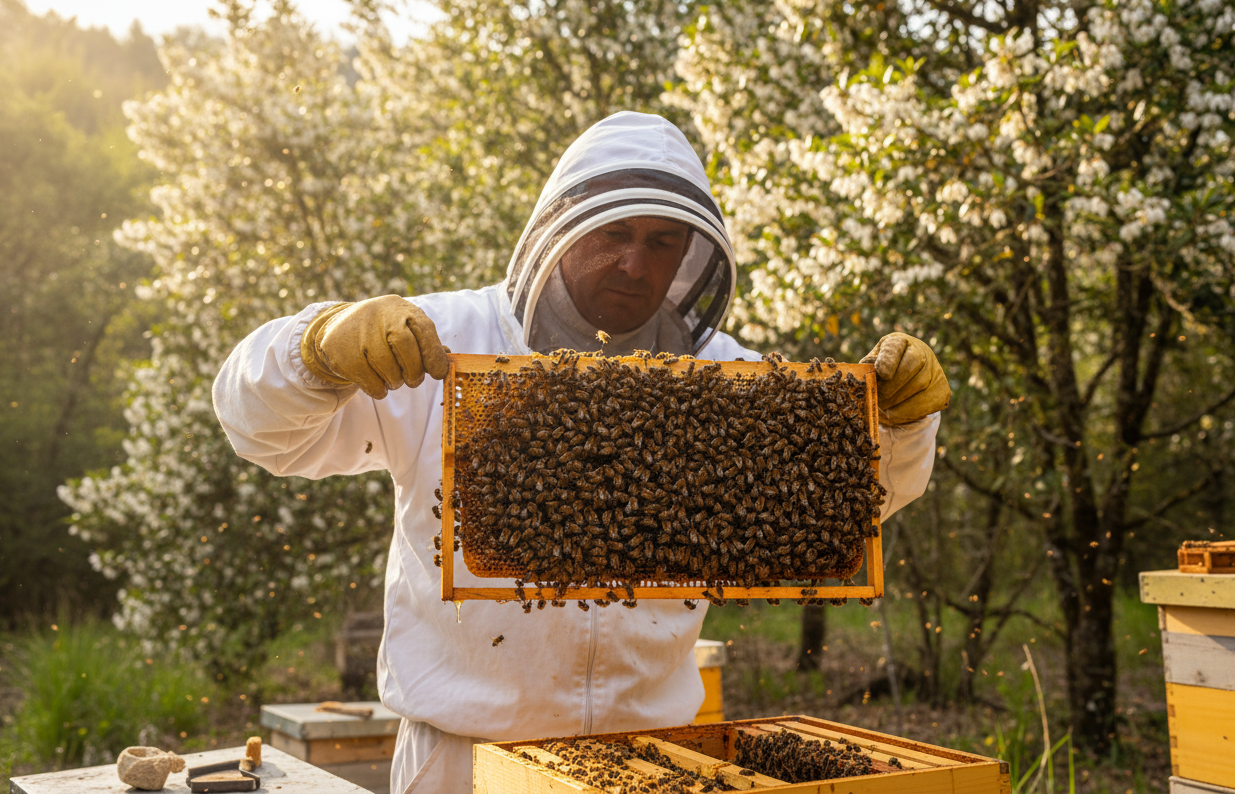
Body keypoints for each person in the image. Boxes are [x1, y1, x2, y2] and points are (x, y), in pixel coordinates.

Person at [212, 111, 950, 793]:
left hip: (657, 760)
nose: (634, 264)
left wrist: (900, 425)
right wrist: (317, 350)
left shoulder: (728, 377)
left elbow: (852, 503)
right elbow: (261, 430)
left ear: (692, 254)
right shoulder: (445, 342)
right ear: (560, 230)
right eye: (614, 234)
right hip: (464, 763)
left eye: (662, 242)